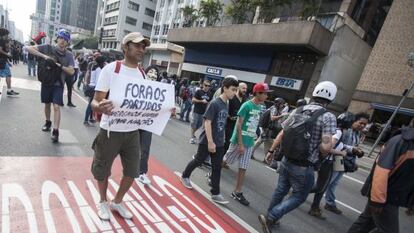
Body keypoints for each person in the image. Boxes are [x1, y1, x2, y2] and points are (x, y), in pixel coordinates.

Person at [259, 81, 338, 233]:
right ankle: (272, 216)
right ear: (331, 98)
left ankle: (269, 217)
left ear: (314, 93)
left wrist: (271, 152)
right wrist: (325, 150)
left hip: (286, 159)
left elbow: (282, 133)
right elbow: (326, 147)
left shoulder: (298, 110)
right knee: (300, 196)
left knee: (281, 190)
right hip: (304, 165)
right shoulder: (328, 117)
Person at [90, 32, 150, 220]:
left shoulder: (142, 73)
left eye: (144, 47)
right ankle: (102, 201)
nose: (142, 50)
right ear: (126, 47)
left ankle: (117, 201)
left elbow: (145, 102)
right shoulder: (111, 69)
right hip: (110, 132)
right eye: (138, 45)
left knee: (133, 171)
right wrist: (101, 106)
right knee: (102, 170)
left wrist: (165, 109)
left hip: (132, 132)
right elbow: (94, 101)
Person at [180, 77, 239, 204]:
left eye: (236, 90)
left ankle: (215, 193)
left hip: (219, 142)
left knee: (217, 167)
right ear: (225, 88)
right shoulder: (215, 103)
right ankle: (185, 175)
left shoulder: (226, 104)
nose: (234, 93)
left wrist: (221, 140)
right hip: (207, 141)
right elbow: (207, 122)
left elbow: (221, 124)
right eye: (233, 90)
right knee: (198, 160)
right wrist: (211, 142)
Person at [347, 125, 414, 233]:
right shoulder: (400, 142)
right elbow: (381, 171)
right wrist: (377, 200)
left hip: (392, 197)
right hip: (386, 197)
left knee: (364, 224)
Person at [308, 112, 367, 219]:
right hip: (336, 160)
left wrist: (353, 153)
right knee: (325, 184)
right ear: (353, 122)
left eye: (364, 124)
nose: (362, 126)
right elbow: (333, 146)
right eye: (360, 123)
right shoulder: (343, 131)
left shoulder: (357, 134)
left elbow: (344, 146)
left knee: (333, 182)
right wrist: (344, 152)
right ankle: (306, 197)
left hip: (343, 160)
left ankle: (328, 203)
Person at [222, 83, 272, 206]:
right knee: (226, 160)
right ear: (258, 93)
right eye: (265, 93)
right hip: (238, 140)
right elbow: (238, 125)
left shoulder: (260, 107)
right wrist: (240, 144)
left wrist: (253, 138)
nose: (266, 96)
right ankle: (213, 172)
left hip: (249, 142)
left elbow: (254, 123)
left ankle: (237, 191)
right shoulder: (246, 105)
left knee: (243, 167)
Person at [27, 29, 75, 142]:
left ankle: (56, 131)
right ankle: (48, 122)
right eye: (61, 38)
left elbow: (72, 71)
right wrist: (45, 57)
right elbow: (28, 48)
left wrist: (59, 65)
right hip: (47, 81)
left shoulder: (69, 55)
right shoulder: (48, 47)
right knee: (47, 104)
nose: (63, 41)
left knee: (57, 106)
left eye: (65, 39)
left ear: (68, 42)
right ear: (57, 38)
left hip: (59, 84)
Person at [252, 97, 288, 162]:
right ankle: (265, 158)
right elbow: (272, 118)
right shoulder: (274, 108)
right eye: (281, 104)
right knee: (266, 142)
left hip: (267, 128)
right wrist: (282, 115)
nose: (282, 105)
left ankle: (254, 154)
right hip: (267, 128)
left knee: (261, 141)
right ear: (278, 104)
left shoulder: (276, 109)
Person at [225, 82, 247, 152]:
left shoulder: (244, 99)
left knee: (232, 144)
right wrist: (229, 117)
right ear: (238, 88)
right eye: (243, 88)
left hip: (238, 125)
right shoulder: (232, 97)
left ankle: (224, 160)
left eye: (246, 88)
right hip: (228, 124)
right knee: (226, 143)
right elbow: (225, 109)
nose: (245, 90)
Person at [83, 56, 105, 126]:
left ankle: (90, 118)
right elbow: (98, 80)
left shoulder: (94, 66)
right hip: (94, 88)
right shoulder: (98, 69)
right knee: (91, 105)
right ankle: (86, 120)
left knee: (91, 104)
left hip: (91, 86)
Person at [189, 80, 212, 144]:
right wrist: (201, 101)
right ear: (203, 85)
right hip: (196, 110)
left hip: (204, 112)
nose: (207, 87)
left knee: (199, 125)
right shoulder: (199, 91)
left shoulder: (210, 93)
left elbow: (210, 102)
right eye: (206, 85)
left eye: (209, 86)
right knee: (194, 124)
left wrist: (208, 104)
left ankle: (193, 134)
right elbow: (193, 100)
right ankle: (192, 137)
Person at [0, 28, 19, 96]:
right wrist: (7, 54)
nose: (7, 36)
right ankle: (9, 90)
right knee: (8, 75)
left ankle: (9, 90)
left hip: (3, 60)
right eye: (7, 34)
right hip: (1, 61)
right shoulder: (2, 40)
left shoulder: (3, 40)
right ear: (4, 34)